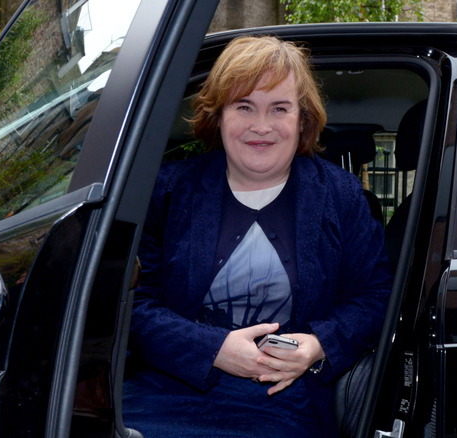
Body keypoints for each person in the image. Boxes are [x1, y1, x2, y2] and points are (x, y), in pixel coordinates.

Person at [122, 35, 392, 437]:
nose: (261, 126)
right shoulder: (168, 192)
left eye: (279, 108)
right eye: (243, 106)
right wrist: (213, 349)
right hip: (163, 393)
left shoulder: (341, 196)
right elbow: (131, 304)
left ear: (302, 119)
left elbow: (375, 297)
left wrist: (317, 346)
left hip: (284, 401)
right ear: (218, 116)